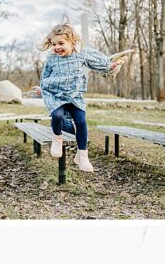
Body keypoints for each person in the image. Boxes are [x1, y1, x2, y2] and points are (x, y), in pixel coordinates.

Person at [36, 24, 123, 172]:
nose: (57, 47)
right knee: (57, 116)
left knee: (81, 122)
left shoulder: (81, 54)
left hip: (75, 96)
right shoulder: (51, 59)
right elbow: (45, 77)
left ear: (72, 41)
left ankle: (82, 156)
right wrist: (42, 88)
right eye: (54, 44)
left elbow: (99, 64)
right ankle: (57, 138)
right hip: (57, 96)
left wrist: (111, 66)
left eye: (61, 43)